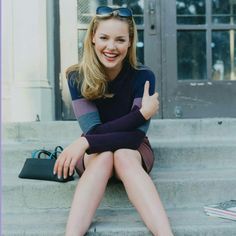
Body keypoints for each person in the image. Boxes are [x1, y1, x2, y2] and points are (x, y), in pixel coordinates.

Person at [54, 6, 174, 236]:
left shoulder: (143, 76)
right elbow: (94, 131)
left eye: (120, 39)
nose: (111, 47)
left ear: (130, 42)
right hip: (95, 152)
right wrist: (141, 113)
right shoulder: (77, 76)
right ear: (92, 38)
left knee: (123, 154)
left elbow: (135, 136)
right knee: (105, 156)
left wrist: (85, 142)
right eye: (104, 38)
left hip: (133, 149)